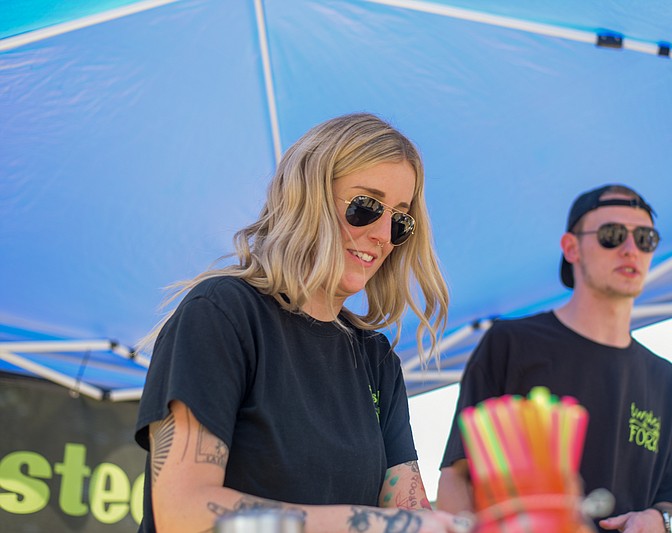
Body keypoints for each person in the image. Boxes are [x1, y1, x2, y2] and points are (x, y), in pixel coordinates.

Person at [134, 113, 472, 533]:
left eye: (400, 220)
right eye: (366, 206)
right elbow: (184, 513)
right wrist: (371, 525)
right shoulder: (222, 312)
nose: (384, 234)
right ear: (307, 195)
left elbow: (411, 512)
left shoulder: (375, 358)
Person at [437, 184, 672, 532]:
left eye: (645, 239)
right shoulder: (511, 343)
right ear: (571, 247)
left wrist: (660, 520)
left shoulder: (666, 380)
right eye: (612, 235)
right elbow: (457, 475)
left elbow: (671, 501)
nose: (630, 249)